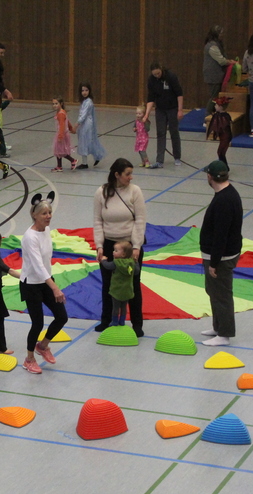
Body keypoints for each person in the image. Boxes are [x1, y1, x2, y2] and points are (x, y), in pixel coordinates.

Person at [93, 158, 147, 335]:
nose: (131, 177)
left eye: (131, 173)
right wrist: (99, 245)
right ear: (116, 175)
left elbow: (140, 220)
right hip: (109, 245)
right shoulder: (101, 192)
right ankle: (106, 319)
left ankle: (137, 324)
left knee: (132, 284)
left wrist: (137, 246)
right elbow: (97, 220)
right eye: (127, 174)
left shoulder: (135, 191)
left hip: (130, 245)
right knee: (108, 284)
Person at [20, 192, 68, 374]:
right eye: (44, 213)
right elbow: (38, 265)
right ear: (34, 215)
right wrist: (54, 287)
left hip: (45, 280)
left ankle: (43, 345)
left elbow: (46, 261)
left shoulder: (46, 231)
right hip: (31, 284)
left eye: (49, 213)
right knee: (37, 323)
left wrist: (50, 283)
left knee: (61, 316)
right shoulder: (29, 237)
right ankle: (29, 359)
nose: (48, 216)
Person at [199, 160, 243, 347]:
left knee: (221, 294)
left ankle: (224, 333)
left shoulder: (224, 200)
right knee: (214, 291)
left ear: (210, 177)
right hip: (219, 255)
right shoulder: (226, 194)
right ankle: (218, 326)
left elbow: (221, 235)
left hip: (221, 258)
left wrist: (215, 263)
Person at [144, 62, 184, 168]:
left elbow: (179, 94)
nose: (157, 76)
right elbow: (151, 98)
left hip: (172, 108)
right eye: (154, 74)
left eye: (158, 73)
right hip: (160, 109)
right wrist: (146, 114)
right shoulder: (151, 80)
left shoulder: (171, 77)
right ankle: (160, 160)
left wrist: (180, 110)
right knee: (160, 133)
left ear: (161, 69)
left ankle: (177, 157)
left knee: (174, 132)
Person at [99, 240, 140, 327]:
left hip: (116, 290)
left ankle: (114, 321)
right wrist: (136, 262)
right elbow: (136, 272)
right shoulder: (131, 263)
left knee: (116, 307)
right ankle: (122, 321)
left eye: (116, 251)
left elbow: (107, 266)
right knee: (124, 307)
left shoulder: (116, 263)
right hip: (127, 290)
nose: (113, 252)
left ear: (123, 254)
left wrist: (103, 260)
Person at [74, 82, 106, 169]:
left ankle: (85, 163)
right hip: (84, 124)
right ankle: (97, 156)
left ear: (89, 91)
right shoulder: (84, 101)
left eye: (86, 90)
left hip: (87, 124)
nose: (84, 92)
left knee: (84, 142)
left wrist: (77, 124)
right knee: (88, 141)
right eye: (82, 90)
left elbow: (83, 115)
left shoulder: (88, 102)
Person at [203, 26, 231, 114]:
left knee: (215, 96)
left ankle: (212, 115)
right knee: (214, 97)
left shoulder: (216, 44)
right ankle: (207, 117)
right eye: (221, 33)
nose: (222, 35)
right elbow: (221, 61)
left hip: (216, 74)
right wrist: (230, 62)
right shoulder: (212, 46)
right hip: (213, 75)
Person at [51, 96, 76, 172]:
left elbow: (62, 124)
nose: (54, 105)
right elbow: (67, 122)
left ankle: (73, 160)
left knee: (61, 151)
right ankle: (59, 166)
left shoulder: (61, 113)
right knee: (58, 150)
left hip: (62, 134)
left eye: (56, 103)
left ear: (61, 103)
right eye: (53, 104)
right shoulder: (62, 112)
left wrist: (60, 135)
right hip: (62, 133)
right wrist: (71, 128)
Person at [207, 96, 233, 167]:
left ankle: (225, 167)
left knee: (221, 152)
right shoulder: (218, 115)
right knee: (220, 152)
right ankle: (223, 166)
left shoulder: (225, 116)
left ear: (220, 107)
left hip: (226, 137)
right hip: (223, 137)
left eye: (216, 105)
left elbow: (223, 127)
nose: (214, 106)